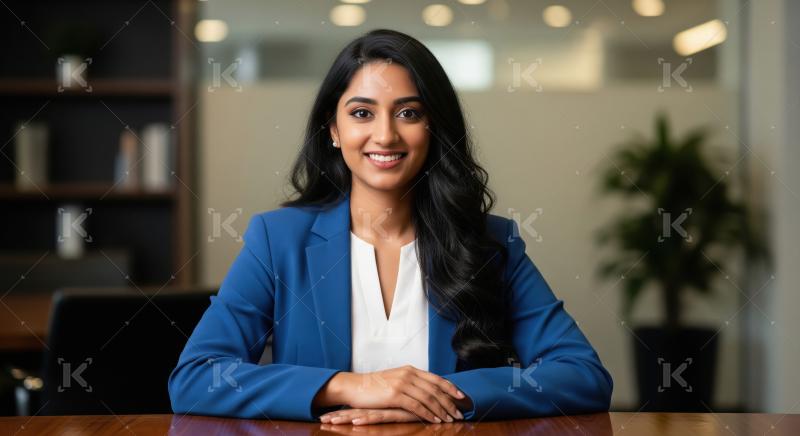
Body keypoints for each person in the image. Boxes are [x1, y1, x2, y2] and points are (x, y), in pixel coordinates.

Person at [168, 28, 612, 425]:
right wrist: (352, 386)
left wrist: (440, 397)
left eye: (408, 113)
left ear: (433, 128)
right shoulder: (278, 240)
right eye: (362, 113)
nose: (385, 135)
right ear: (333, 129)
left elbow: (582, 375)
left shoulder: (491, 243)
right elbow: (197, 377)